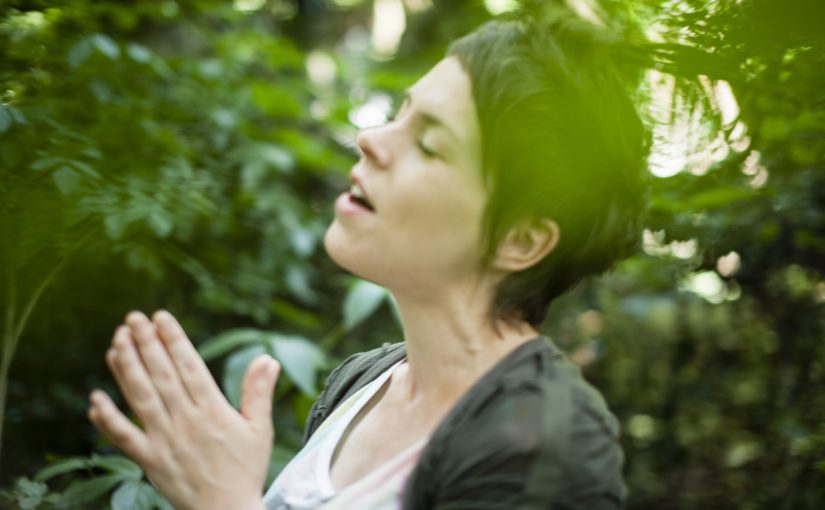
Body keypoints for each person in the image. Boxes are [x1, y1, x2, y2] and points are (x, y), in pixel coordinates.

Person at [87, 11, 649, 510]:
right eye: (402, 113)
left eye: (430, 145)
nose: (370, 138)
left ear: (519, 240)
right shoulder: (363, 382)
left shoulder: (547, 446)